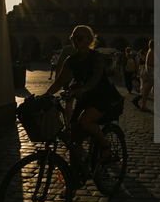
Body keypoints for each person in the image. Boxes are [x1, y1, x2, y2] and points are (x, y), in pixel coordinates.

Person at [45, 26, 112, 164]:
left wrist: (84, 88)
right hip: (84, 99)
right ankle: (75, 172)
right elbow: (59, 82)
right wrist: (45, 96)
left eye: (79, 38)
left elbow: (96, 77)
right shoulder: (71, 60)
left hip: (101, 96)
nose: (76, 40)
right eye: (73, 38)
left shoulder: (97, 57)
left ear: (89, 39)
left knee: (84, 122)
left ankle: (104, 142)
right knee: (74, 136)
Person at [137, 40, 160, 112]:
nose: (159, 46)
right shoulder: (151, 53)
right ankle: (158, 106)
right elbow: (148, 63)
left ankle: (144, 106)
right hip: (151, 74)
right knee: (159, 88)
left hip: (151, 74)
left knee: (147, 91)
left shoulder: (152, 52)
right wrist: (158, 64)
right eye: (158, 45)